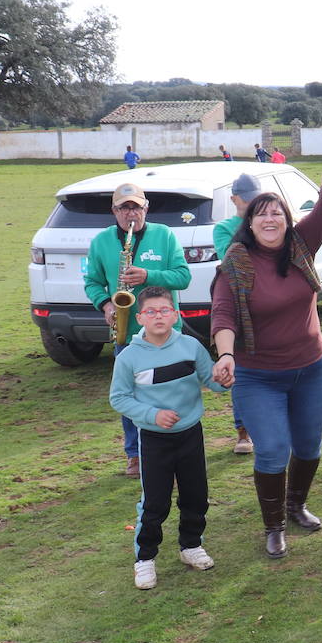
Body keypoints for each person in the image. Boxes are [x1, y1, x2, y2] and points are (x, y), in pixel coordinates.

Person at [210, 121, 322, 558]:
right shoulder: (236, 262)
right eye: (261, 213)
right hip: (259, 374)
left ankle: (296, 506)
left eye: (277, 212)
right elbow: (224, 312)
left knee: (308, 445)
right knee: (271, 449)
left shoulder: (301, 246)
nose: (270, 218)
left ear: (287, 220)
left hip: (311, 367)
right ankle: (273, 526)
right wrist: (226, 353)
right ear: (248, 221)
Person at [110, 287, 226, 590]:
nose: (158, 316)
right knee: (155, 502)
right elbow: (119, 398)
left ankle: (191, 546)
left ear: (175, 314)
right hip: (153, 439)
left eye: (164, 310)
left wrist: (224, 380)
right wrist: (151, 415)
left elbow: (212, 382)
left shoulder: (191, 346)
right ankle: (145, 559)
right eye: (151, 312)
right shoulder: (129, 357)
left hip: (190, 434)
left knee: (195, 495)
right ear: (140, 318)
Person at [84, 182, 191, 477]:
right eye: (124, 208)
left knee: (171, 392)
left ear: (146, 208)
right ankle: (135, 454)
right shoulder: (102, 242)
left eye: (135, 207)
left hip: (167, 331)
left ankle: (175, 448)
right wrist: (106, 304)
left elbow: (183, 277)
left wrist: (147, 275)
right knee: (130, 395)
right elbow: (92, 281)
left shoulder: (165, 235)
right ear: (114, 211)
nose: (130, 213)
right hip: (127, 332)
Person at [212, 172, 265, 455]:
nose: (252, 205)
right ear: (234, 199)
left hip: (268, 304)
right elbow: (232, 257)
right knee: (242, 368)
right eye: (247, 201)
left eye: (256, 200)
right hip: (240, 304)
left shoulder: (267, 221)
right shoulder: (224, 228)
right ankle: (243, 431)